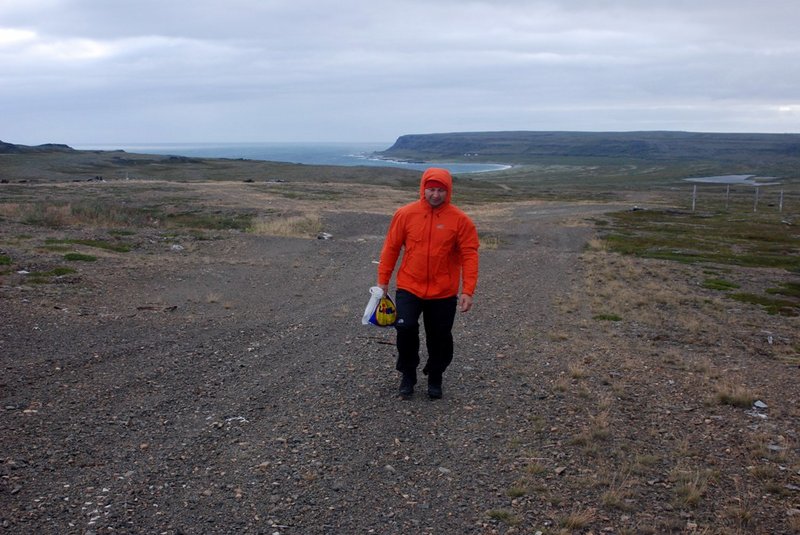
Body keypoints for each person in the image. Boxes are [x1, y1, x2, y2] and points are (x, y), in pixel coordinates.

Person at [377, 167, 479, 399]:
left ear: (448, 191)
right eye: (431, 189)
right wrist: (383, 281)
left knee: (440, 336)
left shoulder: (460, 220)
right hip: (409, 286)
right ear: (423, 189)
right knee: (405, 328)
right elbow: (391, 248)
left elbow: (470, 255)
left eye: (441, 190)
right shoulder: (405, 214)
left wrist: (468, 290)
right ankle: (408, 374)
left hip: (443, 291)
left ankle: (435, 375)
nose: (435, 195)